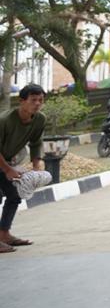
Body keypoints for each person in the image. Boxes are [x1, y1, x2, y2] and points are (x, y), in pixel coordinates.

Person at [1, 84, 54, 253]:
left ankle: (4, 234)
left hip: (7, 160)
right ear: (22, 101)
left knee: (14, 195)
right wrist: (8, 169)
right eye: (33, 100)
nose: (37, 104)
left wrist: (36, 168)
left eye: (40, 100)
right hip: (3, 162)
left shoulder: (39, 119)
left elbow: (36, 142)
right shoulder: (5, 121)